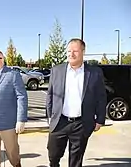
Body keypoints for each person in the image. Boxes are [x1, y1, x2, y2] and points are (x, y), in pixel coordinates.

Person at [46, 38, 107, 167]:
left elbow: (101, 97)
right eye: (69, 51)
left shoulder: (94, 73)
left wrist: (100, 119)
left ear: (83, 52)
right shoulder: (56, 70)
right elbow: (50, 95)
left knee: (76, 161)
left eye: (75, 51)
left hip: (81, 123)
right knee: (53, 155)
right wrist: (49, 117)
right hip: (59, 122)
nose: (71, 54)